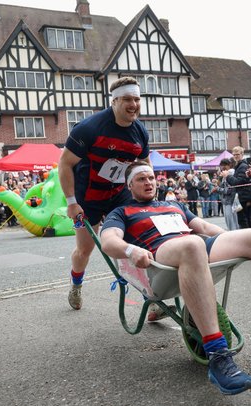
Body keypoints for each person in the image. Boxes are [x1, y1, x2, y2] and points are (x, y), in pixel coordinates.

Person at [99, 161, 251, 395]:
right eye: (141, 179)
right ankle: (217, 355)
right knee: (192, 244)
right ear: (129, 185)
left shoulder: (174, 206)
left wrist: (235, 241)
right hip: (160, 258)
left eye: (151, 177)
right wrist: (131, 250)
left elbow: (204, 227)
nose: (149, 182)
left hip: (196, 248)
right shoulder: (123, 211)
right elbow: (108, 240)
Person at [59, 76, 151, 312]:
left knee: (138, 243)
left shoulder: (140, 132)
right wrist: (71, 202)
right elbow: (65, 164)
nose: (134, 105)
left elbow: (143, 164)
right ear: (115, 101)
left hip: (119, 195)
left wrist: (148, 193)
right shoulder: (89, 128)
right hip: (87, 197)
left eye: (137, 99)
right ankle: (76, 284)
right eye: (128, 99)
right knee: (85, 250)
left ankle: (152, 297)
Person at [223, 146, 251, 229]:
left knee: (244, 221)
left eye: (237, 154)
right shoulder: (239, 165)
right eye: (234, 155)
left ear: (242, 154)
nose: (235, 156)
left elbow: (237, 182)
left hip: (244, 198)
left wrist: (227, 176)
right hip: (242, 197)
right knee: (243, 220)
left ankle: (248, 239)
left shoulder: (243, 166)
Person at [217, 158, 239, 231]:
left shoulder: (231, 173)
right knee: (228, 221)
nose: (223, 167)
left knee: (232, 221)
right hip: (225, 201)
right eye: (221, 165)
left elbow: (230, 190)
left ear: (229, 165)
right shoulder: (224, 175)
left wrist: (218, 189)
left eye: (224, 165)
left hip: (231, 201)